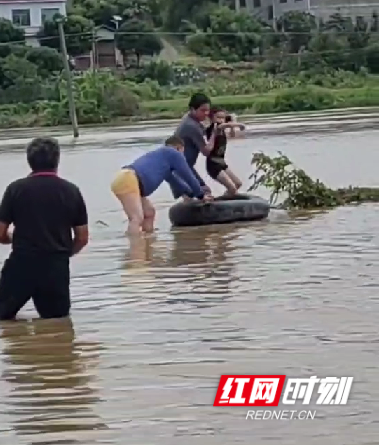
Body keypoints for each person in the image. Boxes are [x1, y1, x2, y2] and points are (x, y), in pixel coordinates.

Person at [0, 137, 89, 320]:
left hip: (21, 264)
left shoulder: (15, 189)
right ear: (57, 159)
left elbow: (0, 233)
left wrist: (13, 238)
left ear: (29, 160)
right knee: (57, 324)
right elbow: (82, 238)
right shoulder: (71, 191)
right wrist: (62, 253)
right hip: (55, 267)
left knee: (3, 318)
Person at [110, 135, 213, 236]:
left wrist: (191, 195)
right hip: (129, 179)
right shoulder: (173, 153)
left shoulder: (164, 162)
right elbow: (188, 175)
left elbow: (176, 183)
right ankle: (135, 249)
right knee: (137, 218)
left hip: (127, 180)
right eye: (183, 152)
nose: (182, 156)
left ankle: (148, 244)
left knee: (149, 212)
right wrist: (201, 195)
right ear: (179, 148)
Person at [169, 93, 216, 201]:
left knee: (199, 194)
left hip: (182, 166)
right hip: (179, 168)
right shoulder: (191, 126)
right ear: (192, 109)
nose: (206, 113)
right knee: (203, 193)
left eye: (208, 110)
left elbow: (203, 130)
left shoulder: (189, 119)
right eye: (203, 110)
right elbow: (206, 151)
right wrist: (215, 132)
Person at [205, 107, 245, 196]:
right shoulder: (213, 128)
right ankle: (221, 204)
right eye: (218, 117)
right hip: (213, 164)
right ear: (212, 119)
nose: (221, 120)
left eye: (223, 117)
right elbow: (222, 125)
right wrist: (239, 124)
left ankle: (225, 199)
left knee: (238, 184)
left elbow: (232, 135)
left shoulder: (222, 129)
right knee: (232, 188)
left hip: (221, 163)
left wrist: (232, 122)